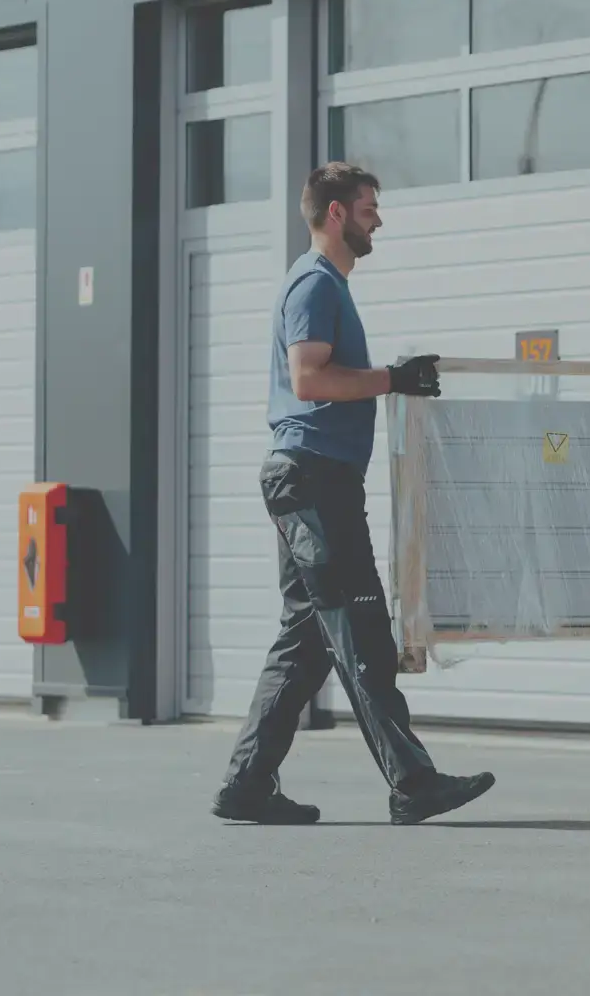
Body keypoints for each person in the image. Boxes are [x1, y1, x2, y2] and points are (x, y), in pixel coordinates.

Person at [211, 162, 494, 825]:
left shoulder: (324, 284)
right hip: (312, 480)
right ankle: (413, 783)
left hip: (308, 478)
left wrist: (389, 379)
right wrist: (391, 380)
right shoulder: (314, 283)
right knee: (361, 626)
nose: (378, 219)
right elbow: (309, 379)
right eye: (369, 208)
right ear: (335, 213)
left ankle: (247, 785)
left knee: (308, 637)